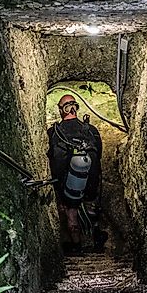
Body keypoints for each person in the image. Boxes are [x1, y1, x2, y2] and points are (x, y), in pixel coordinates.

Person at [47, 93, 105, 253]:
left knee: (71, 213)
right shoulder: (90, 130)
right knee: (92, 209)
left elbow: (55, 160)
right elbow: (98, 154)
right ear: (75, 108)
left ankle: (76, 247)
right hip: (91, 180)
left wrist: (58, 189)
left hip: (69, 183)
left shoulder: (55, 132)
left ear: (61, 110)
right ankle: (96, 242)